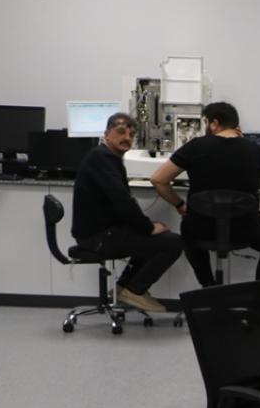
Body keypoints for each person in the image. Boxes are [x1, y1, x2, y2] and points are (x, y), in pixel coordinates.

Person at [149, 102, 260, 285]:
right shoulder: (255, 150)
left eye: (206, 122)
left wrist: (180, 204)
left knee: (188, 232)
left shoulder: (195, 146)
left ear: (214, 123)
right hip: (246, 228)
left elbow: (158, 180)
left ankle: (208, 287)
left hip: (201, 228)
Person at [71, 113, 183, 313]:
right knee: (172, 242)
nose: (127, 138)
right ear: (106, 134)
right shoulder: (102, 158)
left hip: (101, 232)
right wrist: (148, 227)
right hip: (98, 237)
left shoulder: (106, 157)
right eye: (121, 132)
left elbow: (120, 201)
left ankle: (124, 287)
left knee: (154, 239)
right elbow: (122, 200)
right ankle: (135, 290)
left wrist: (146, 228)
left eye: (131, 135)